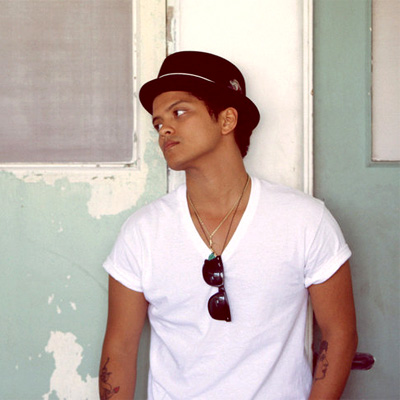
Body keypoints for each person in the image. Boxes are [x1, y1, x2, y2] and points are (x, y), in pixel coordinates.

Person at [99, 51, 358, 400]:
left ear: (227, 120)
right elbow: (120, 347)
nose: (165, 129)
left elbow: (339, 333)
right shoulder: (142, 232)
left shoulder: (305, 220)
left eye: (179, 112)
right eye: (158, 123)